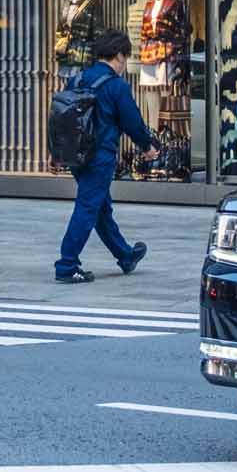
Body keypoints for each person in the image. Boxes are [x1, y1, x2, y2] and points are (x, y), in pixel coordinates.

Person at [54, 29, 158, 284]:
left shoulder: (77, 79)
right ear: (120, 56)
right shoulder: (116, 85)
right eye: (125, 57)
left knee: (100, 207)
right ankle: (67, 264)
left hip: (76, 154)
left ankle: (125, 255)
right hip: (100, 157)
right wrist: (147, 146)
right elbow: (132, 121)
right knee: (88, 207)